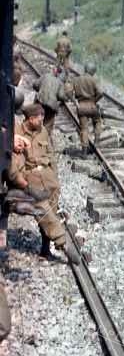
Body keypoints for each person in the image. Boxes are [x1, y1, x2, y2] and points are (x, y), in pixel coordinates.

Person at [9, 103, 79, 263]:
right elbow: (14, 164)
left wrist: (55, 178)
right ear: (30, 118)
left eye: (42, 117)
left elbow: (51, 155)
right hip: (30, 177)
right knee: (43, 209)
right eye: (38, 117)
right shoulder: (17, 133)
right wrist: (21, 183)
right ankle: (63, 244)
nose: (41, 120)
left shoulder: (43, 131)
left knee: (51, 212)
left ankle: (45, 249)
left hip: (48, 178)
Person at [72, 62, 103, 157]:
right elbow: (101, 92)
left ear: (85, 69)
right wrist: (94, 100)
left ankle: (84, 152)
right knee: (97, 122)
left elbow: (68, 91)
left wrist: (74, 101)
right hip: (92, 106)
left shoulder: (76, 79)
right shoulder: (94, 80)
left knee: (84, 129)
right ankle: (97, 142)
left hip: (81, 106)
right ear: (93, 71)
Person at [33, 69, 66, 137]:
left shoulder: (46, 75)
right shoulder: (60, 83)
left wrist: (40, 89)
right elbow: (61, 96)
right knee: (48, 122)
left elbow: (35, 85)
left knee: (35, 117)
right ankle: (43, 138)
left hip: (40, 101)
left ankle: (32, 132)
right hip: (51, 106)